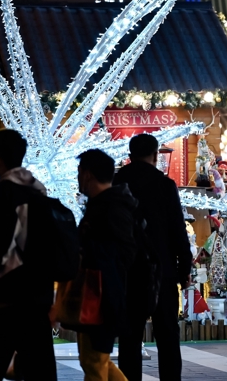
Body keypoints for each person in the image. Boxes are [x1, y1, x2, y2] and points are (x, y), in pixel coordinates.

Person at [0, 129, 57, 381]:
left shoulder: (1, 192)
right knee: (39, 370)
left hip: (4, 296)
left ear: (0, 159)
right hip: (37, 296)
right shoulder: (38, 190)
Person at [115, 134, 193, 381]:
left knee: (129, 338)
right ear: (156, 155)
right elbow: (177, 230)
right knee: (167, 335)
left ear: (130, 155)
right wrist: (184, 267)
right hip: (162, 269)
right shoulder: (165, 185)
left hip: (127, 270)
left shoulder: (118, 183)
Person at [75, 149, 138, 381]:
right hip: (99, 294)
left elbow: (124, 253)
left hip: (103, 295)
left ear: (87, 175)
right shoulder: (105, 204)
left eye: (79, 172)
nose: (77, 178)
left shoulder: (110, 207)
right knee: (96, 361)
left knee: (94, 363)